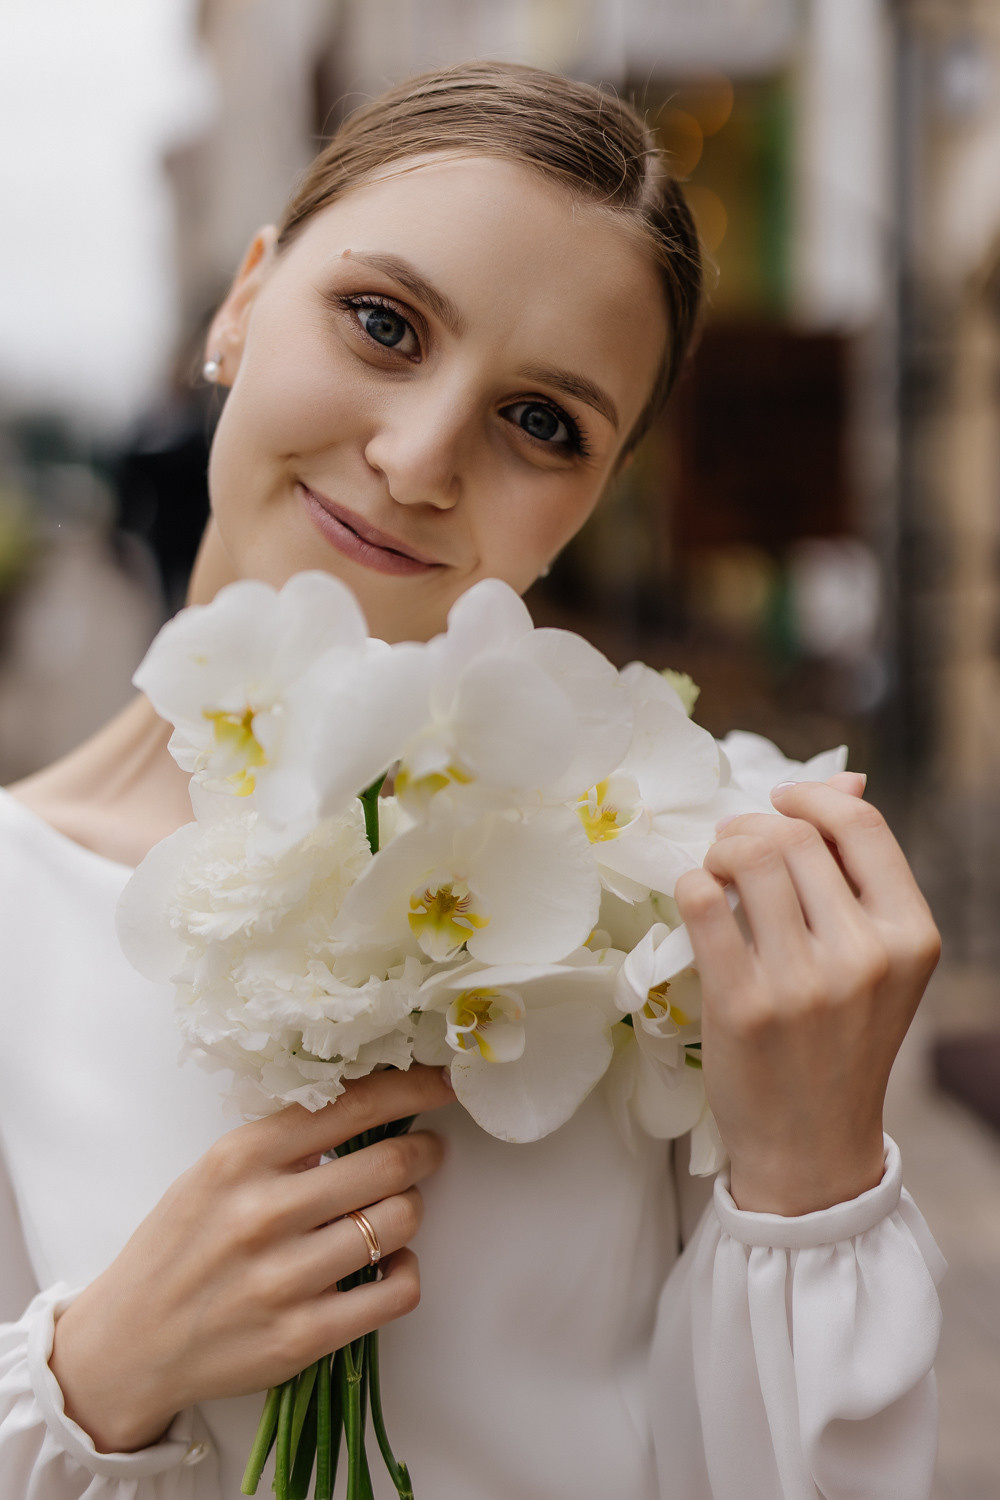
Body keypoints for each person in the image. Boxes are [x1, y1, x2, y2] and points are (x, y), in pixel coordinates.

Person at [0, 62, 944, 1500]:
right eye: (382, 324)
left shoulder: (674, 884)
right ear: (242, 298)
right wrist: (98, 1376)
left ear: (597, 498)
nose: (419, 456)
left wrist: (816, 1171)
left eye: (544, 423)